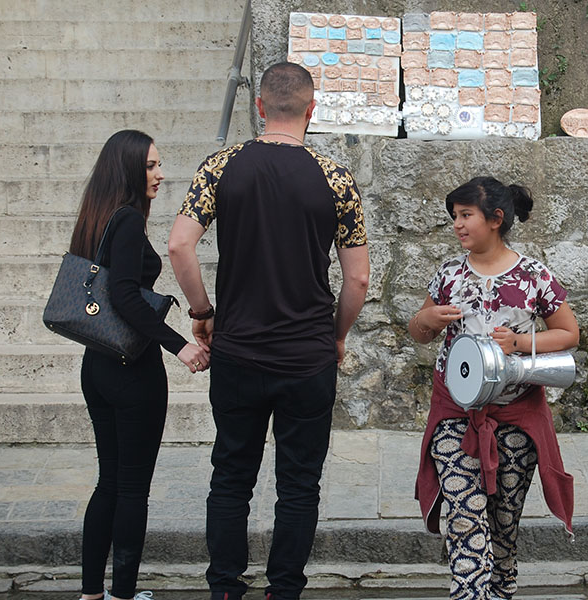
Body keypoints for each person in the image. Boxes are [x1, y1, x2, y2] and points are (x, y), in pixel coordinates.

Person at [167, 62, 370, 600]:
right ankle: (284, 590)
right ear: (312, 109)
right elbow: (359, 278)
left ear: (259, 107)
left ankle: (226, 588)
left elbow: (179, 246)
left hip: (237, 353)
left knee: (231, 475)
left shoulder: (220, 167)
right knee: (299, 486)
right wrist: (337, 334)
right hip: (307, 357)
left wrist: (201, 311)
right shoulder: (336, 179)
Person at [411, 177, 580, 600]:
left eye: (466, 215)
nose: (457, 225)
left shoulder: (532, 275)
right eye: (454, 216)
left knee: (503, 527)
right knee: (466, 518)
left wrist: (520, 343)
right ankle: (469, 593)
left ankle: (500, 589)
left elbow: (569, 333)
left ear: (496, 219)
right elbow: (418, 328)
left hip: (517, 416)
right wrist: (427, 322)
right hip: (455, 415)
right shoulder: (449, 273)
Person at [72, 130, 210, 600]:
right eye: (151, 165)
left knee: (108, 481)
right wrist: (180, 346)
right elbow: (124, 295)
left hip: (97, 367)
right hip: (132, 370)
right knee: (132, 488)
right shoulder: (127, 220)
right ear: (129, 169)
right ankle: (123, 595)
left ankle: (93, 593)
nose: (160, 174)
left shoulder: (97, 216)